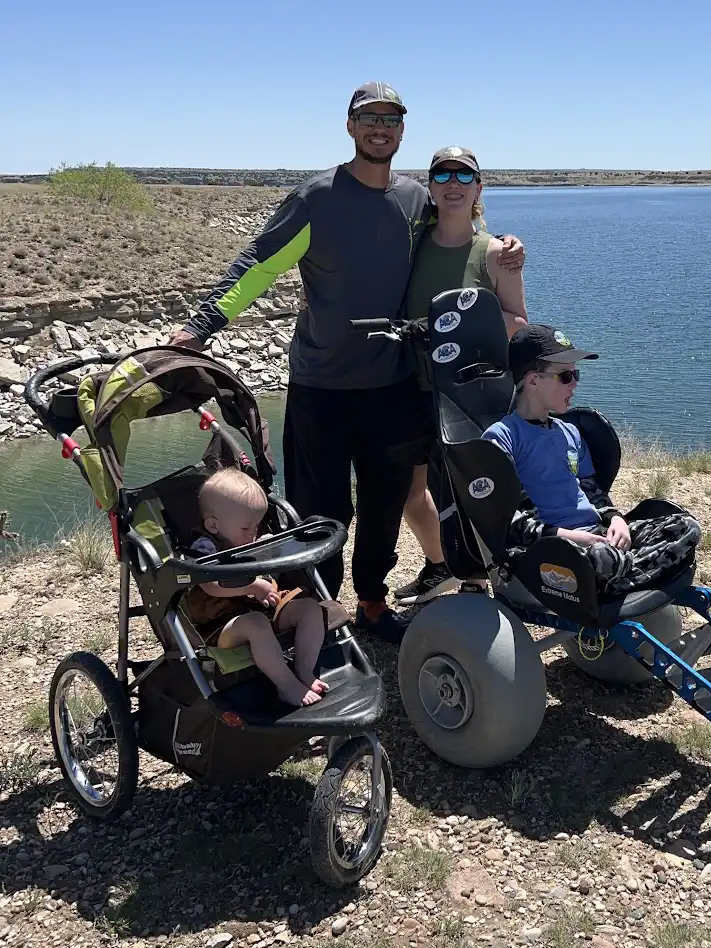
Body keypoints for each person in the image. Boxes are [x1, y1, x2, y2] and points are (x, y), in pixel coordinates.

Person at [168, 81, 524, 645]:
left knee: (385, 506)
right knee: (322, 510)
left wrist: (505, 246)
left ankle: (373, 606)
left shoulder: (414, 200)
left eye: (390, 119)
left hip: (394, 384)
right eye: (369, 119)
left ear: (402, 130)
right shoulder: (317, 199)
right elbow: (257, 266)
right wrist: (202, 325)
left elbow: (459, 236)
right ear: (351, 126)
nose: (380, 128)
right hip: (322, 387)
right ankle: (317, 610)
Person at [394, 145, 528, 605]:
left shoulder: (494, 253)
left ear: (478, 188)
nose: (453, 184)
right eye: (443, 175)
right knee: (414, 494)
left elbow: (519, 322)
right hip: (413, 389)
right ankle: (441, 566)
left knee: (475, 490)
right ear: (430, 186)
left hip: (471, 397)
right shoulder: (412, 245)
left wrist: (459, 325)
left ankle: (486, 575)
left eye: (463, 176)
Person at [482, 325, 702, 594]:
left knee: (686, 525)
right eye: (565, 376)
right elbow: (509, 519)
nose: (575, 383)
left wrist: (617, 520)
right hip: (554, 549)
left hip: (596, 534)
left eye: (576, 374)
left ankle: (622, 571)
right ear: (532, 381)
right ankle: (625, 571)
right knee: (602, 559)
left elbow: (591, 491)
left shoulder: (571, 432)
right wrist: (571, 537)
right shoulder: (503, 437)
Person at [183, 468, 329, 707]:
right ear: (213, 525)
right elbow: (209, 585)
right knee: (256, 624)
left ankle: (303, 670)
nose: (253, 534)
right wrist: (252, 586)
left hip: (259, 606)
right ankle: (287, 686)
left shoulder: (247, 540)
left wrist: (269, 550)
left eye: (257, 526)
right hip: (222, 624)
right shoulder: (204, 547)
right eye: (246, 528)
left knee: (310, 609)